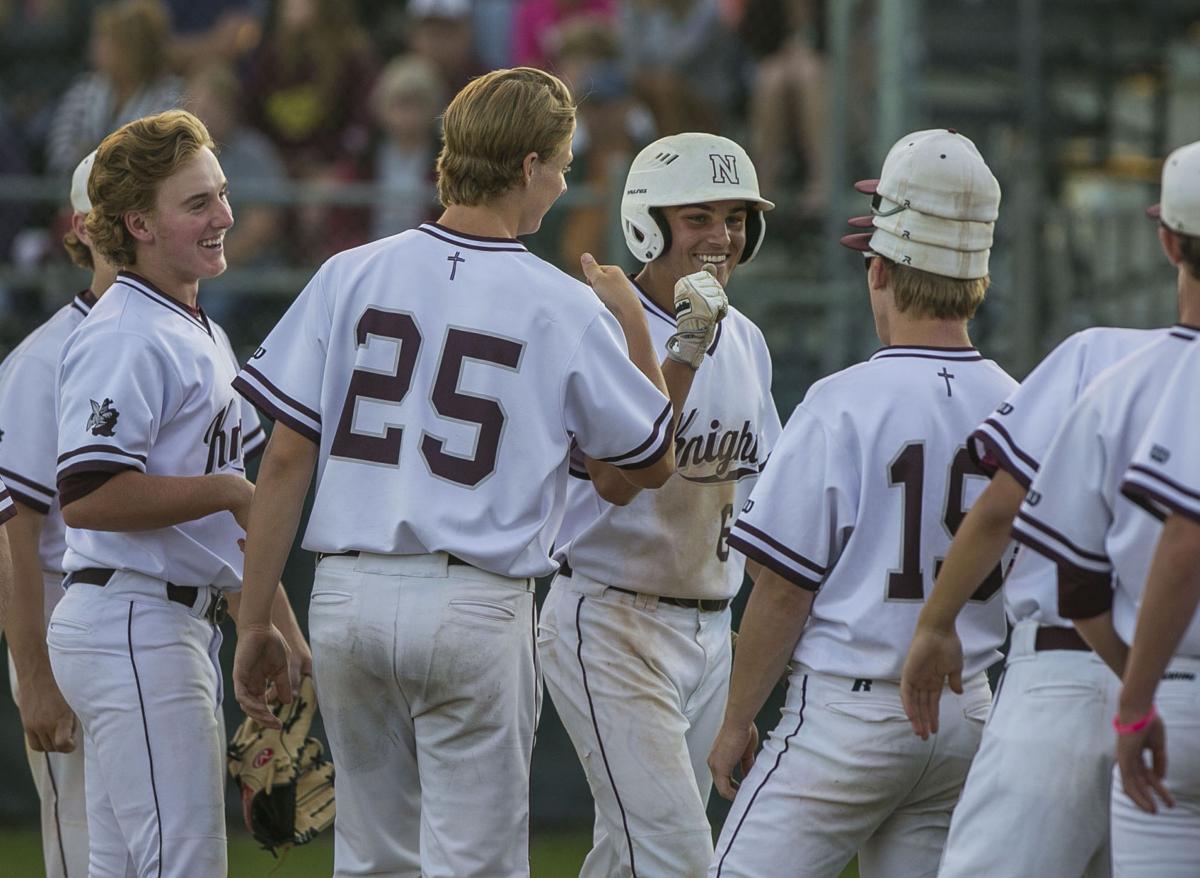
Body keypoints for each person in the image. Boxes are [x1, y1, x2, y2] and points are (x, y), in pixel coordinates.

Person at [229, 67, 712, 878]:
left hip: (347, 592)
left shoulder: (351, 271)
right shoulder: (562, 303)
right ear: (525, 166)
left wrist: (254, 621)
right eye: (559, 164)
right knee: (477, 865)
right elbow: (652, 459)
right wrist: (633, 320)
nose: (561, 182)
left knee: (373, 862)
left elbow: (283, 457)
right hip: (474, 601)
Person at [707, 129, 1014, 878]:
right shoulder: (1020, 402)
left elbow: (781, 589)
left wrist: (737, 719)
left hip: (850, 715)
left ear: (880, 269)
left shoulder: (843, 403)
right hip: (967, 709)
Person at [45, 109, 311, 878]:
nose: (225, 216)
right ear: (139, 223)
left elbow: (229, 524)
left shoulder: (195, 325)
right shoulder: (127, 332)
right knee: (183, 864)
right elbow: (88, 496)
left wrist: (270, 620)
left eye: (221, 195)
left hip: (160, 618)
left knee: (123, 865)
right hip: (132, 617)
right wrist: (226, 489)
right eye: (197, 204)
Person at [539, 132, 780, 878]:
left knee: (625, 858)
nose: (722, 237)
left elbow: (760, 494)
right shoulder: (603, 320)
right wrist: (684, 347)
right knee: (676, 858)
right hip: (613, 618)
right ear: (650, 222)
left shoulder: (746, 338)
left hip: (709, 627)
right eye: (699, 217)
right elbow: (616, 478)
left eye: (735, 219)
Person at [899, 320, 1163, 875]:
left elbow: (1000, 507)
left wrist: (935, 625)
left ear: (1170, 242)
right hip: (1178, 692)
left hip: (1065, 676)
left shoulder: (1102, 352)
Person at [1011, 140, 1200, 877]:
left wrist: (1137, 694)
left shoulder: (1119, 385)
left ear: (1166, 241)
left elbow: (1081, 586)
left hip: (1173, 699)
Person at [0, 150, 118, 878]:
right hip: (67, 618)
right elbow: (13, 533)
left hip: (168, 626)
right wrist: (33, 674)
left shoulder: (199, 334)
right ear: (87, 228)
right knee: (82, 847)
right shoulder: (41, 360)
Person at [45, 0, 184, 174]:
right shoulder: (83, 91)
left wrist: (92, 153)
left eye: (106, 41)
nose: (95, 48)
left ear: (133, 48)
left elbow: (157, 157)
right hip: (79, 194)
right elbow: (60, 153)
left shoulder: (169, 97)